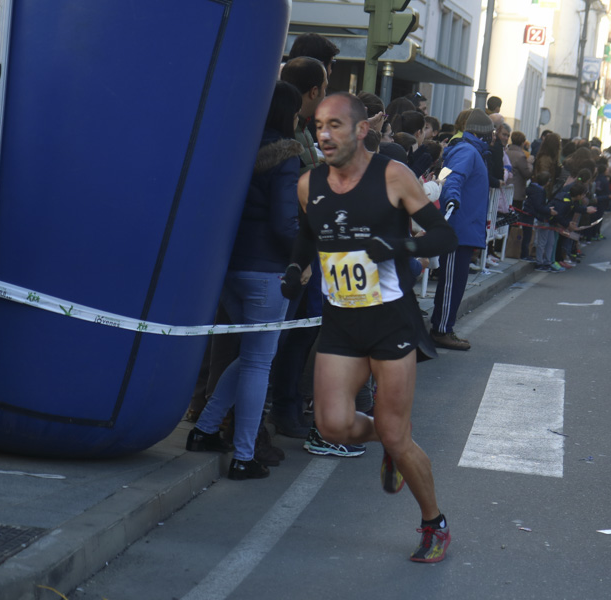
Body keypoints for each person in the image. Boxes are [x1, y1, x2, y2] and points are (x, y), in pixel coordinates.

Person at [282, 92, 458, 562]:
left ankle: (433, 523)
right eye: (319, 125)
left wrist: (397, 246)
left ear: (361, 130)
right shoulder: (308, 184)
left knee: (399, 435)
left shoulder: (392, 176)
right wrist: (296, 270)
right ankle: (388, 439)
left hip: (388, 321)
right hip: (340, 321)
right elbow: (306, 235)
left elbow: (444, 236)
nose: (323, 134)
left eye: (335, 125)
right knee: (333, 426)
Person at [185, 81, 302, 480]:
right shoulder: (287, 155)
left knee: (253, 353)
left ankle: (203, 431)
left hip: (226, 265)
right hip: (268, 269)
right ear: (289, 114)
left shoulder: (234, 146)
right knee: (258, 361)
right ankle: (244, 454)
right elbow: (285, 222)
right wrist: (304, 255)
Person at [430, 109, 493, 351]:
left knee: (455, 283)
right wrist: (452, 200)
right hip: (457, 227)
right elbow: (452, 180)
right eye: (491, 134)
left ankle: (445, 327)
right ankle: (441, 330)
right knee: (451, 284)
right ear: (482, 134)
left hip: (463, 227)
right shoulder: (468, 151)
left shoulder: (470, 151)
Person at [280, 57, 327, 174]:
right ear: (314, 92)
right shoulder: (290, 131)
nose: (325, 95)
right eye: (325, 88)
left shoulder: (301, 125)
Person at [507, 131, 535, 259]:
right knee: (513, 221)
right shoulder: (521, 156)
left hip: (506, 191)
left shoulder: (506, 152)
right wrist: (530, 163)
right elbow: (527, 174)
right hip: (517, 192)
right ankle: (510, 247)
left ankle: (501, 246)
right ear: (523, 142)